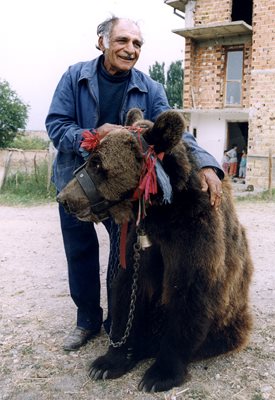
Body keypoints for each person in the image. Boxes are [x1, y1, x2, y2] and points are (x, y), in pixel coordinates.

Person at [45, 16, 224, 352]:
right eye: (122, 41)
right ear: (102, 42)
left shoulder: (151, 87)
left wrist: (207, 165)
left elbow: (178, 133)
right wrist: (90, 137)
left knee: (123, 256)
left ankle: (119, 318)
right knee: (79, 251)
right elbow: (56, 124)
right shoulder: (74, 77)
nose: (130, 50)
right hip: (77, 182)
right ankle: (86, 320)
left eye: (137, 44)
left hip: (121, 191)